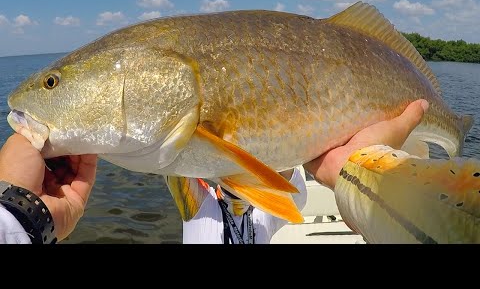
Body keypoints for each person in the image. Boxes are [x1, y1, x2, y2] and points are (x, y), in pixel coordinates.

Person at [0, 99, 428, 244]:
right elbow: (182, 166)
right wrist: (21, 212)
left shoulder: (283, 185)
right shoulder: (191, 184)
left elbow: (284, 187)